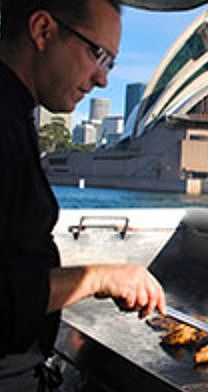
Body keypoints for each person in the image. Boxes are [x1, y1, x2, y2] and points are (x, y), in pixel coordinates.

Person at [0, 0, 167, 390]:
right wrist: (97, 277)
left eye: (111, 64)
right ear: (43, 30)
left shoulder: (16, 115)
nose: (103, 80)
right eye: (99, 54)